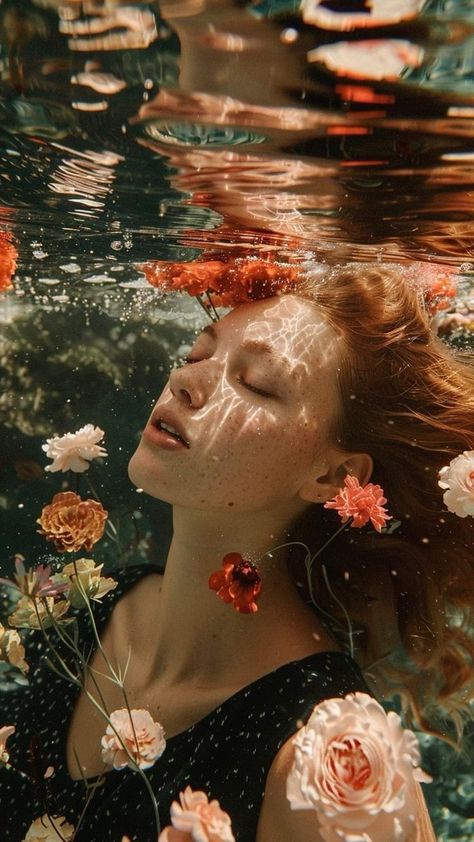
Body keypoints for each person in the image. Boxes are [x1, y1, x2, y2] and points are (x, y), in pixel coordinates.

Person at [1, 262, 472, 841]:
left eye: (255, 384)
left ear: (336, 477)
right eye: (199, 353)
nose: (186, 382)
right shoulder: (88, 609)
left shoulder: (332, 763)